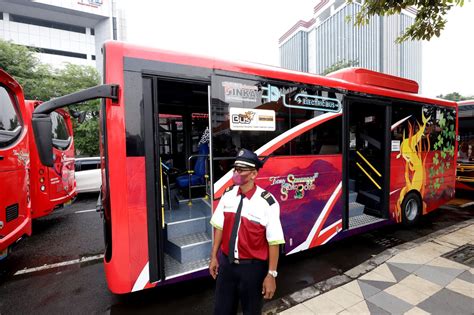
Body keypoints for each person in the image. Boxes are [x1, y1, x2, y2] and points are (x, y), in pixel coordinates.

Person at [209, 149, 285, 315]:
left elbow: (274, 242)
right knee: (221, 311)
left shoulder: (267, 203)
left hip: (252, 270)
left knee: (251, 311)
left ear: (253, 174)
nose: (236, 173)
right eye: (235, 169)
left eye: (241, 170)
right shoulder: (227, 195)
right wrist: (214, 256)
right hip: (227, 266)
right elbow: (219, 227)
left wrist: (271, 274)